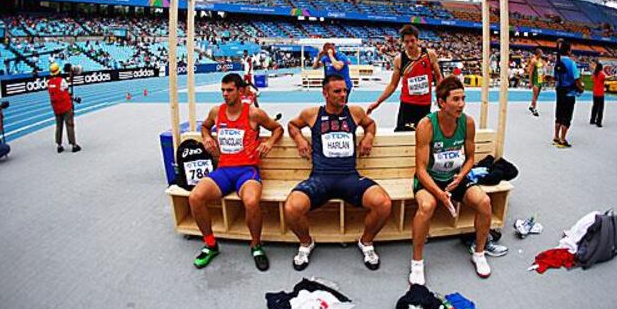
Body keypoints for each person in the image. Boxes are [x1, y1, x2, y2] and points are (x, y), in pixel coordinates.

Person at [284, 74, 392, 271]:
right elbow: (292, 125)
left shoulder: (355, 112)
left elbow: (370, 124)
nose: (343, 95)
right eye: (337, 91)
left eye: (345, 91)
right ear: (325, 93)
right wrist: (300, 140)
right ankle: (306, 242)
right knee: (292, 208)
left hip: (349, 177)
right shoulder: (312, 114)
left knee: (383, 204)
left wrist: (369, 137)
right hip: (320, 178)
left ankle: (366, 242)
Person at [409, 76, 506, 285]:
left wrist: (461, 176)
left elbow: (471, 158)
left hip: (456, 178)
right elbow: (420, 169)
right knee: (427, 206)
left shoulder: (468, 123)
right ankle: (417, 262)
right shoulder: (426, 125)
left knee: (484, 202)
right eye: (455, 99)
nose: (461, 104)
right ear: (441, 102)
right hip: (430, 179)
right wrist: (440, 194)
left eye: (463, 98)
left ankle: (479, 253)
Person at [189, 73, 284, 271]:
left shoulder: (254, 113)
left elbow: (277, 128)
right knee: (195, 197)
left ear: (240, 91)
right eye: (222, 90)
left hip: (247, 172)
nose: (225, 94)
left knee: (251, 201)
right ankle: (210, 245)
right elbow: (205, 126)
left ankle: (256, 245)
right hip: (223, 171)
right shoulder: (216, 111)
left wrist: (269, 142)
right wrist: (207, 137)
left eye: (229, 90)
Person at [367, 24, 443, 131]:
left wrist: (441, 98)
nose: (410, 44)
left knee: (423, 135)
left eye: (413, 40)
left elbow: (439, 77)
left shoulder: (429, 55)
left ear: (418, 40)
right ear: (403, 42)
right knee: (403, 134)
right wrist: (378, 102)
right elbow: (393, 85)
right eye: (407, 42)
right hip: (407, 105)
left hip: (425, 105)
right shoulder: (399, 59)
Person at [553, 39, 584, 148]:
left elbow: (555, 77)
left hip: (559, 90)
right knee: (567, 116)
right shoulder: (571, 63)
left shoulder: (558, 62)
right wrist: (581, 89)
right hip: (569, 92)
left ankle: (556, 136)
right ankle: (562, 139)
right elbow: (576, 79)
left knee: (559, 114)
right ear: (569, 51)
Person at [47, 63, 81, 153]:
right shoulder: (62, 81)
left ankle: (59, 145)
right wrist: (71, 75)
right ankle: (73, 145)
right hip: (65, 106)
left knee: (59, 126)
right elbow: (66, 90)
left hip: (56, 108)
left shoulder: (49, 83)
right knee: (69, 125)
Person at [526, 49, 544, 117]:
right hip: (535, 80)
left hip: (540, 80)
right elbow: (530, 72)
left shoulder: (539, 60)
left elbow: (540, 70)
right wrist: (530, 82)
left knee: (537, 96)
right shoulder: (533, 61)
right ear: (538, 53)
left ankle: (531, 106)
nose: (542, 54)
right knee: (535, 95)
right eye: (541, 53)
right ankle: (534, 109)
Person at [590, 61, 606, 127]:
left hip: (595, 92)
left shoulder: (594, 74)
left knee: (595, 106)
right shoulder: (601, 74)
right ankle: (599, 122)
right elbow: (605, 78)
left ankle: (592, 119)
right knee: (600, 108)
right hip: (600, 93)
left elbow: (592, 79)